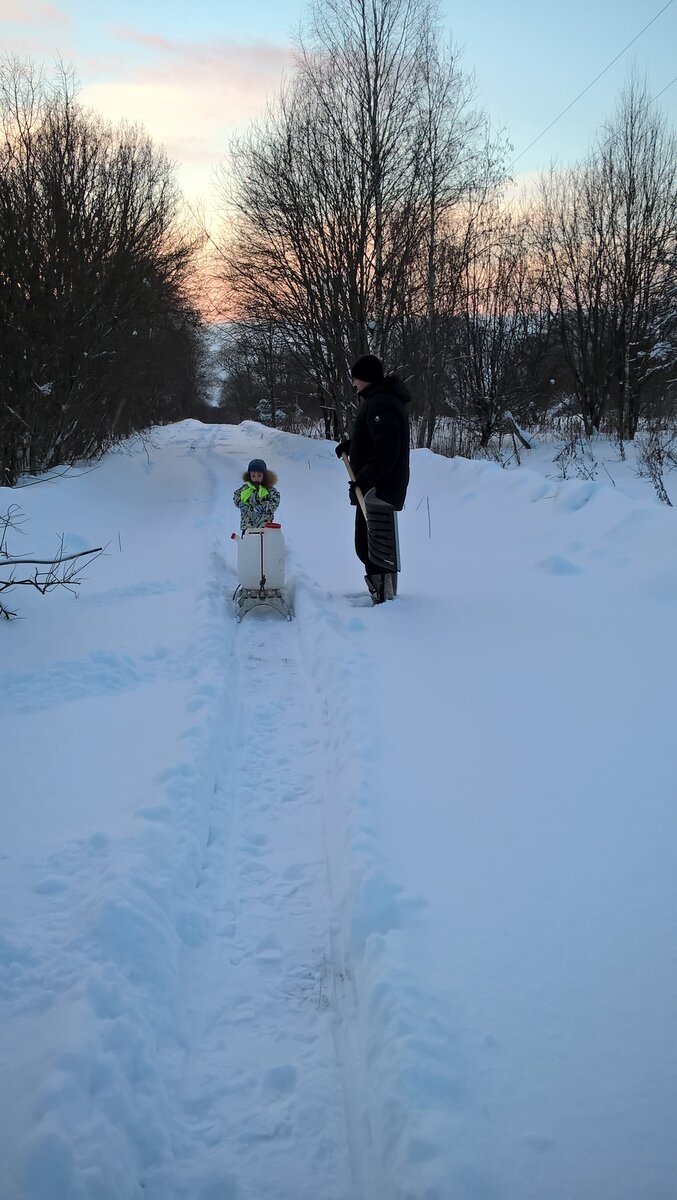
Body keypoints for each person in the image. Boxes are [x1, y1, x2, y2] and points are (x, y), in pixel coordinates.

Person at [335, 354, 410, 603]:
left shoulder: (381, 404)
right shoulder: (380, 400)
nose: (353, 383)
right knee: (369, 545)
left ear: (365, 378)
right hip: (375, 489)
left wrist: (363, 480)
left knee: (372, 548)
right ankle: (383, 593)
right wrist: (353, 446)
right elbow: (374, 439)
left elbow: (387, 451)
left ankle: (384, 597)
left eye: (355, 378)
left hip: (378, 491)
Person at [234, 458, 280, 533]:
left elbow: (275, 501)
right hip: (247, 526)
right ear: (249, 476)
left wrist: (263, 506)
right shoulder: (245, 488)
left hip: (264, 527)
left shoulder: (269, 490)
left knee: (263, 544)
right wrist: (239, 503)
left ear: (264, 476)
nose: (256, 478)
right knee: (248, 543)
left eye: (259, 476)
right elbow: (236, 495)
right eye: (253, 476)